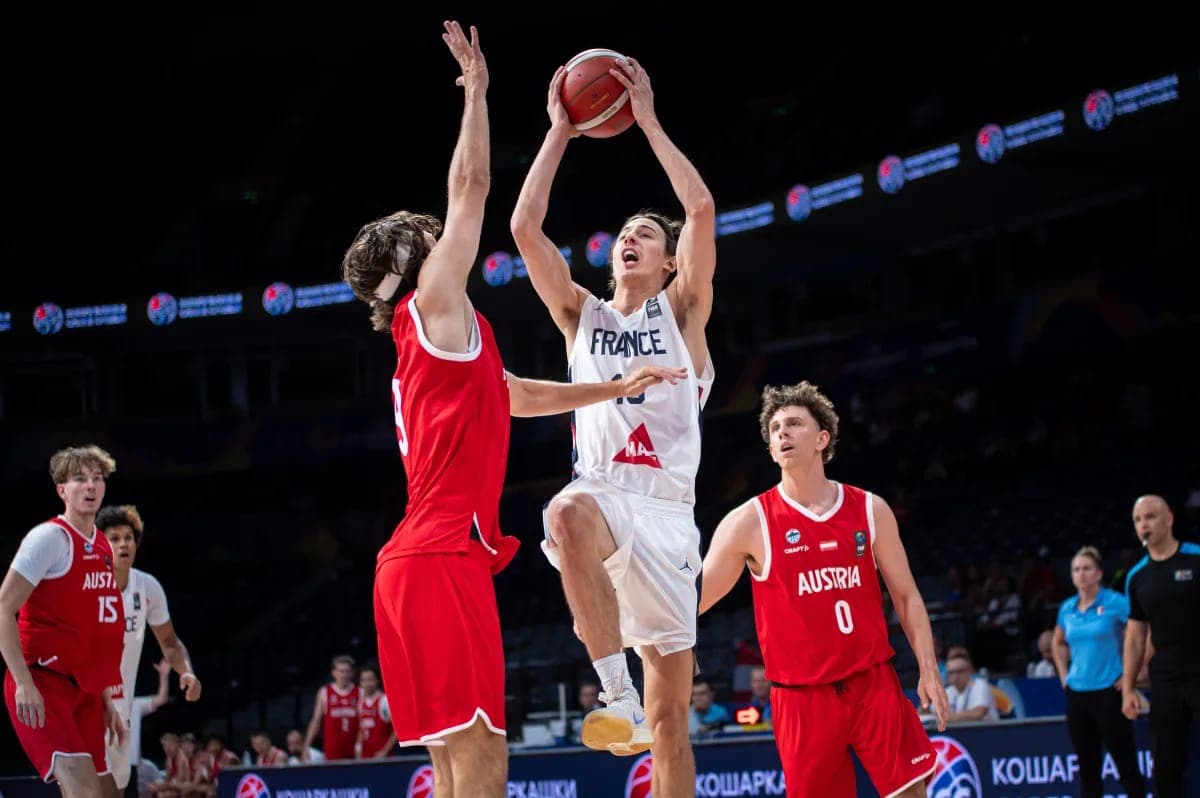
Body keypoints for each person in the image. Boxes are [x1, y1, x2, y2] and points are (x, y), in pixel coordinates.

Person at [339, 22, 684, 798]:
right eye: (429, 240)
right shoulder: (435, 302)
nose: (443, 237)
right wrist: (478, 94)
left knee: (455, 768)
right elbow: (473, 189)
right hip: (437, 558)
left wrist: (615, 388)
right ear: (413, 264)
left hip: (409, 564)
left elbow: (516, 395)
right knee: (486, 762)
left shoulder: (430, 346)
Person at [510, 53, 717, 797]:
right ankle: (612, 692)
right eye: (624, 233)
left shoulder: (683, 312)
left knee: (671, 729)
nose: (629, 240)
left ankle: (643, 713)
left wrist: (650, 122)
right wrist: (559, 132)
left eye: (645, 237)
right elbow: (524, 226)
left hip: (667, 516)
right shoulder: (581, 317)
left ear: (667, 265)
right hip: (604, 493)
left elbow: (698, 212)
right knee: (564, 512)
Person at [699, 383, 949, 798]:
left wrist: (928, 668)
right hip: (801, 698)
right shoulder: (748, 522)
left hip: (873, 682)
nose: (782, 433)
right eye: (775, 428)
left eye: (793, 423)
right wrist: (629, 615)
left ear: (822, 439)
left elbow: (906, 596)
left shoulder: (870, 509)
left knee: (910, 793)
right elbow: (696, 599)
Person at [1, 445, 127, 796]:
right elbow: (3, 607)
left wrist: (105, 698)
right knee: (83, 792)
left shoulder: (101, 544)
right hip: (43, 681)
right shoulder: (49, 538)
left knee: (108, 792)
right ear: (62, 490)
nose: (90, 486)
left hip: (85, 689)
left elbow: (95, 631)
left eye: (97, 479)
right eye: (79, 479)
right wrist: (23, 682)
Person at [97, 504, 202, 796]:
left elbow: (169, 643)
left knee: (115, 790)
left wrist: (187, 672)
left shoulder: (147, 587)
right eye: (114, 538)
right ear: (101, 544)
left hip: (121, 709)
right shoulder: (87, 585)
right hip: (86, 703)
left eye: (128, 537)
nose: (122, 544)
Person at [1122, 494, 1200, 798]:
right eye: (1138, 520)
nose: (1144, 525)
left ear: (1169, 519)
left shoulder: (1196, 558)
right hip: (1165, 678)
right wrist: (1128, 687)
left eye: (1151, 517)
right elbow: (1135, 636)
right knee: (1166, 766)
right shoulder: (1137, 577)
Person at [1052, 546, 1145, 798]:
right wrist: (1064, 675)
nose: (1081, 574)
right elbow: (1057, 642)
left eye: (1086, 569)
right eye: (1076, 569)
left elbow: (1140, 634)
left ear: (1099, 573)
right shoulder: (1067, 608)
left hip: (1109, 692)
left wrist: (1131, 676)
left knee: (1125, 763)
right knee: (1087, 768)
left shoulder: (1116, 602)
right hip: (1077, 694)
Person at [302, 654, 358, 761]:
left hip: (355, 749)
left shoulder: (360, 692)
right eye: (341, 671)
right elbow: (316, 720)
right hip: (333, 750)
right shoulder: (324, 692)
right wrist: (306, 746)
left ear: (352, 673)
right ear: (334, 673)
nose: (344, 675)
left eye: (347, 671)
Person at [944, 652, 999, 723]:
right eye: (951, 672)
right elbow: (935, 715)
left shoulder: (980, 685)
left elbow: (978, 713)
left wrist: (949, 717)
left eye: (960, 671)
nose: (955, 676)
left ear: (969, 671)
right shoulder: (948, 691)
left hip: (986, 732)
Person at [355, 663, 395, 759]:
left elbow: (396, 731)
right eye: (363, 680)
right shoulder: (360, 702)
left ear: (377, 680)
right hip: (365, 757)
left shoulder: (384, 701)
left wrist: (384, 751)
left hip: (382, 757)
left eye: (370, 679)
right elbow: (361, 729)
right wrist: (357, 749)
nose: (367, 684)